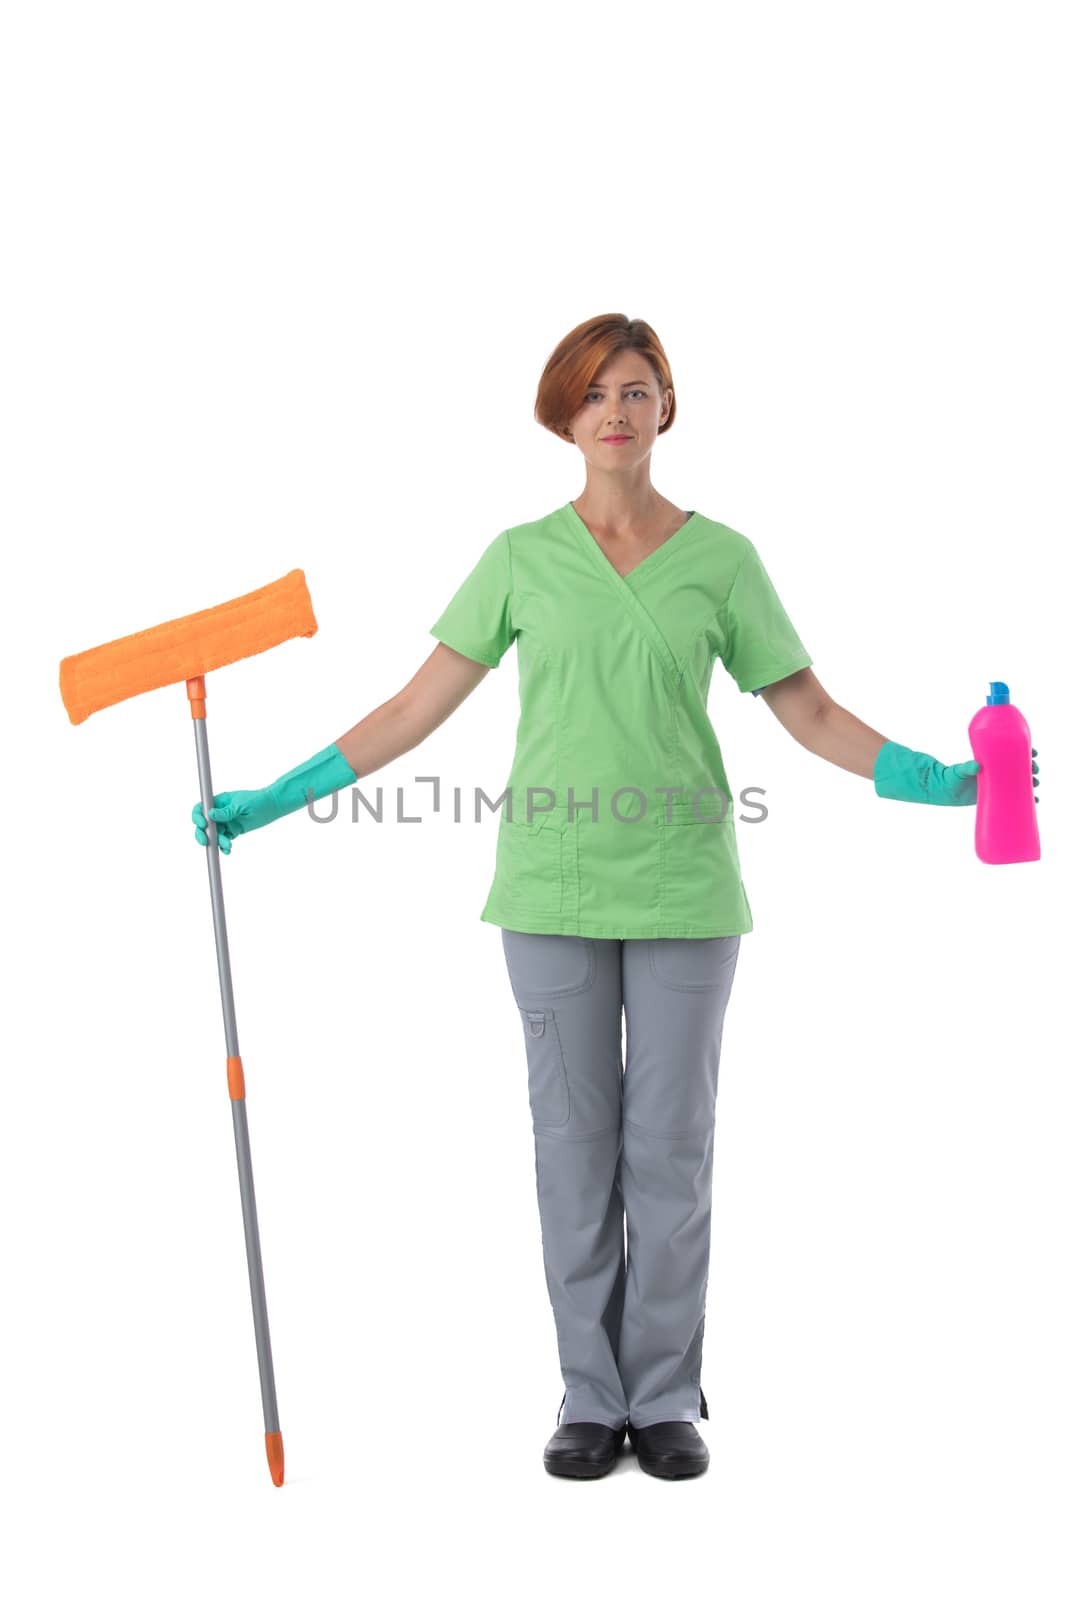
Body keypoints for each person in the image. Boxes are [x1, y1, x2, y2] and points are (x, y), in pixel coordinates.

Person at [191, 313, 1039, 1482]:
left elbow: (809, 712)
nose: (615, 412)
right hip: (549, 891)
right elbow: (408, 708)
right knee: (573, 1148)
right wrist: (272, 797)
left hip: (689, 889)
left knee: (671, 1151)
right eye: (594, 394)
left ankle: (664, 1394)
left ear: (664, 407)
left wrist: (939, 783)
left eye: (635, 389)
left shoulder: (723, 559)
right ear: (564, 416)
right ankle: (588, 1396)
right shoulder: (519, 556)